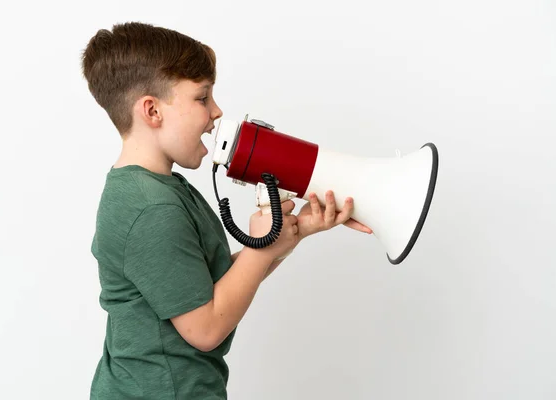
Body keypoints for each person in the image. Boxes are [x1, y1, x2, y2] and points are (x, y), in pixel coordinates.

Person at [82, 22, 372, 400]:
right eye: (202, 98)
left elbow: (211, 287)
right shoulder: (151, 208)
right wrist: (262, 248)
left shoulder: (159, 190)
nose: (216, 112)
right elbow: (205, 328)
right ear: (152, 110)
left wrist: (293, 231)